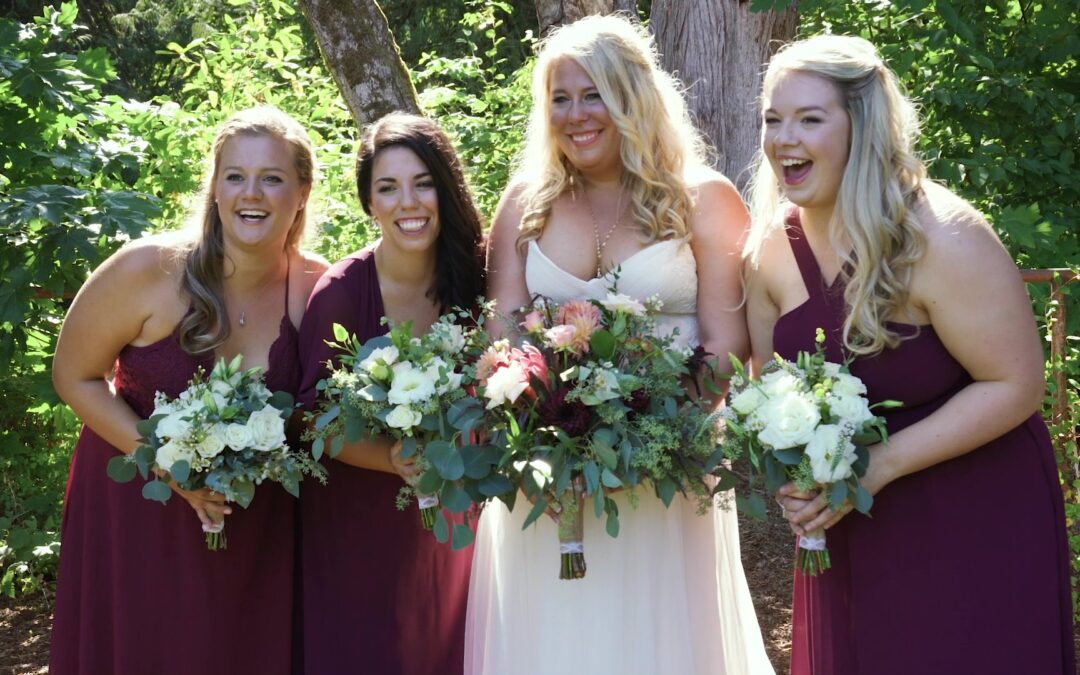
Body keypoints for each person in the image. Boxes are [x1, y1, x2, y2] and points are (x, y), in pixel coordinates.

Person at [745, 34, 1075, 675]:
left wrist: (879, 465)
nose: (785, 138)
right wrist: (789, 474)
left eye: (810, 119)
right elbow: (765, 391)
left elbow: (1016, 383)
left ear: (862, 126)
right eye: (773, 119)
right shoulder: (767, 251)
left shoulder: (944, 237)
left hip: (971, 513)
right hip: (847, 526)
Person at [469, 15, 774, 675]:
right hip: (547, 474)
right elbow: (503, 334)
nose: (575, 114)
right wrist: (543, 431)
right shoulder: (527, 202)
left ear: (634, 96)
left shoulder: (703, 200)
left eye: (592, 94)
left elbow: (726, 344)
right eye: (559, 98)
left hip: (665, 469)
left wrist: (644, 434)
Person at [48, 106, 328, 674]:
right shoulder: (148, 270)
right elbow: (73, 375)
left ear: (301, 192)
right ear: (215, 188)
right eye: (235, 176)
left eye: (272, 178)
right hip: (138, 519)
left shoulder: (316, 287)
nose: (252, 192)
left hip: (257, 530)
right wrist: (162, 462)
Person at [295, 112, 484, 675]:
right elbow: (312, 419)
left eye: (423, 183)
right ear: (368, 203)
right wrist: (394, 459)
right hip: (362, 519)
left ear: (445, 190)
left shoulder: (478, 277)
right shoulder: (341, 294)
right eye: (388, 188)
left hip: (458, 507)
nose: (409, 202)